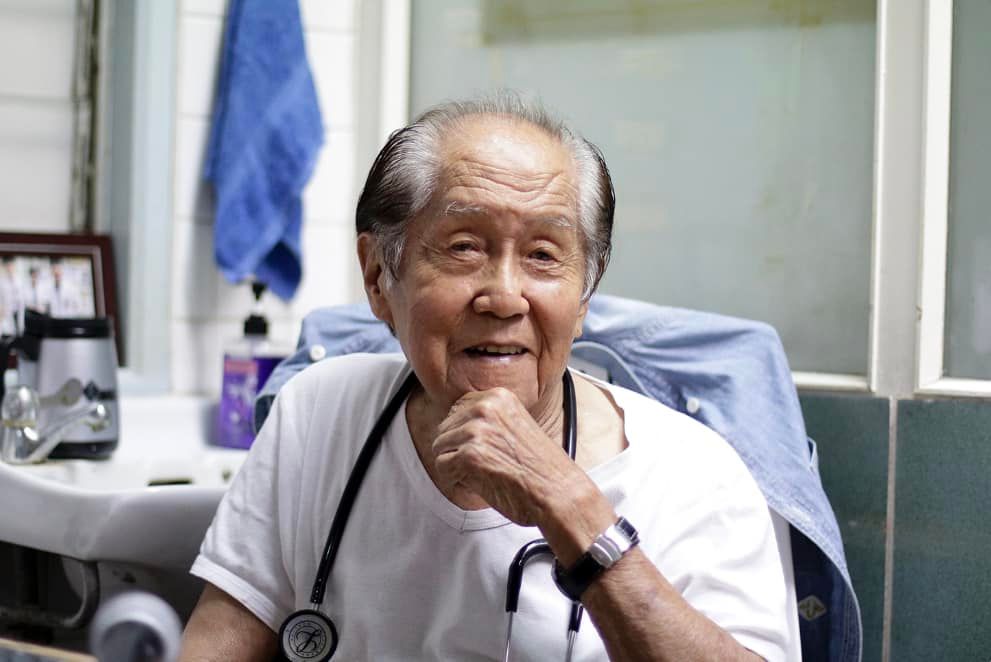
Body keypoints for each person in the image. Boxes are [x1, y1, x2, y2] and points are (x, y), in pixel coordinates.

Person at [180, 95, 798, 661]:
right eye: (464, 247)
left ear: (584, 296)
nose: (504, 297)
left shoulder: (695, 474)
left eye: (543, 255)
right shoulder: (318, 412)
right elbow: (217, 643)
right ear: (377, 278)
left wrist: (572, 509)